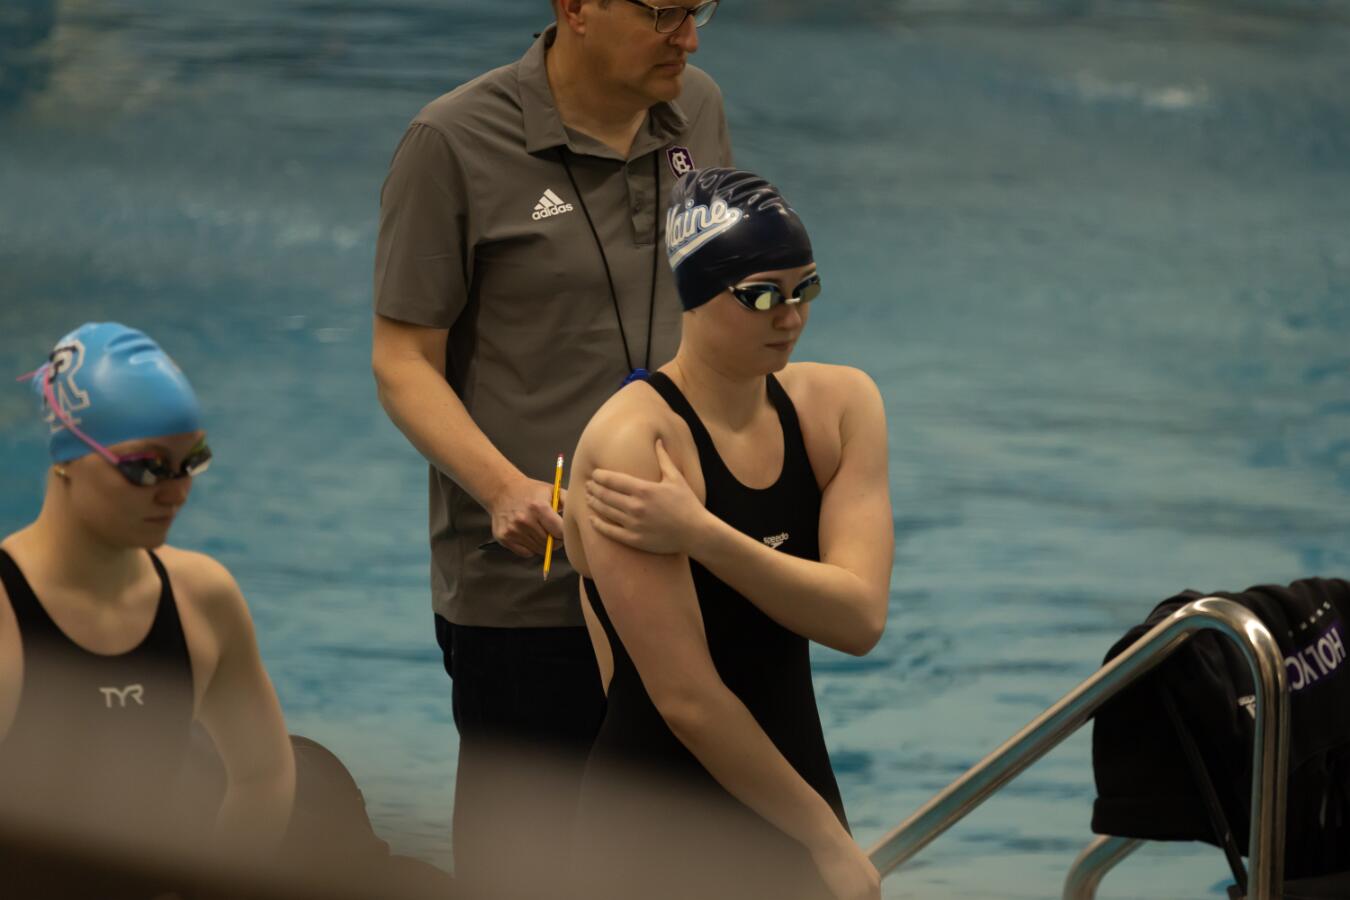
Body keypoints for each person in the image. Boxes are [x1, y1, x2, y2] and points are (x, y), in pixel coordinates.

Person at [370, 0, 732, 889]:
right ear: (576, 9)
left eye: (701, 9)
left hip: (685, 570)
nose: (689, 38)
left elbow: (721, 308)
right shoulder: (452, 142)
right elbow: (402, 362)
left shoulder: (698, 109)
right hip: (532, 593)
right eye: (664, 13)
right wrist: (502, 487)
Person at [563, 168, 893, 900]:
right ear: (696, 293)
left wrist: (703, 535)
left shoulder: (840, 408)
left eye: (806, 289)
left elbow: (858, 620)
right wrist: (822, 837)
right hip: (655, 823)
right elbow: (683, 696)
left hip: (793, 796)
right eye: (763, 295)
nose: (791, 317)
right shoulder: (635, 441)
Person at [0, 323, 296, 891]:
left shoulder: (201, 598)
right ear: (67, 458)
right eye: (145, 467)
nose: (176, 491)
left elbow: (263, 775)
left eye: (193, 461)